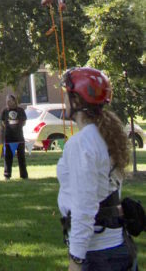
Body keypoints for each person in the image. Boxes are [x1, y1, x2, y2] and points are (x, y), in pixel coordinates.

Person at [57, 66, 137, 271]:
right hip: (118, 246)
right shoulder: (106, 136)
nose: (64, 100)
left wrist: (76, 260)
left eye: (67, 94)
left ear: (77, 100)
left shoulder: (82, 144)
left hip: (97, 254)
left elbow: (84, 208)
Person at [0, 93, 28, 180]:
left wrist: (17, 127)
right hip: (8, 137)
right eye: (6, 101)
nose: (8, 102)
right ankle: (7, 175)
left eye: (9, 100)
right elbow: (3, 123)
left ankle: (24, 175)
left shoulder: (20, 110)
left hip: (19, 137)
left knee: (21, 157)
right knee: (8, 157)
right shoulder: (4, 111)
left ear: (14, 101)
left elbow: (24, 122)